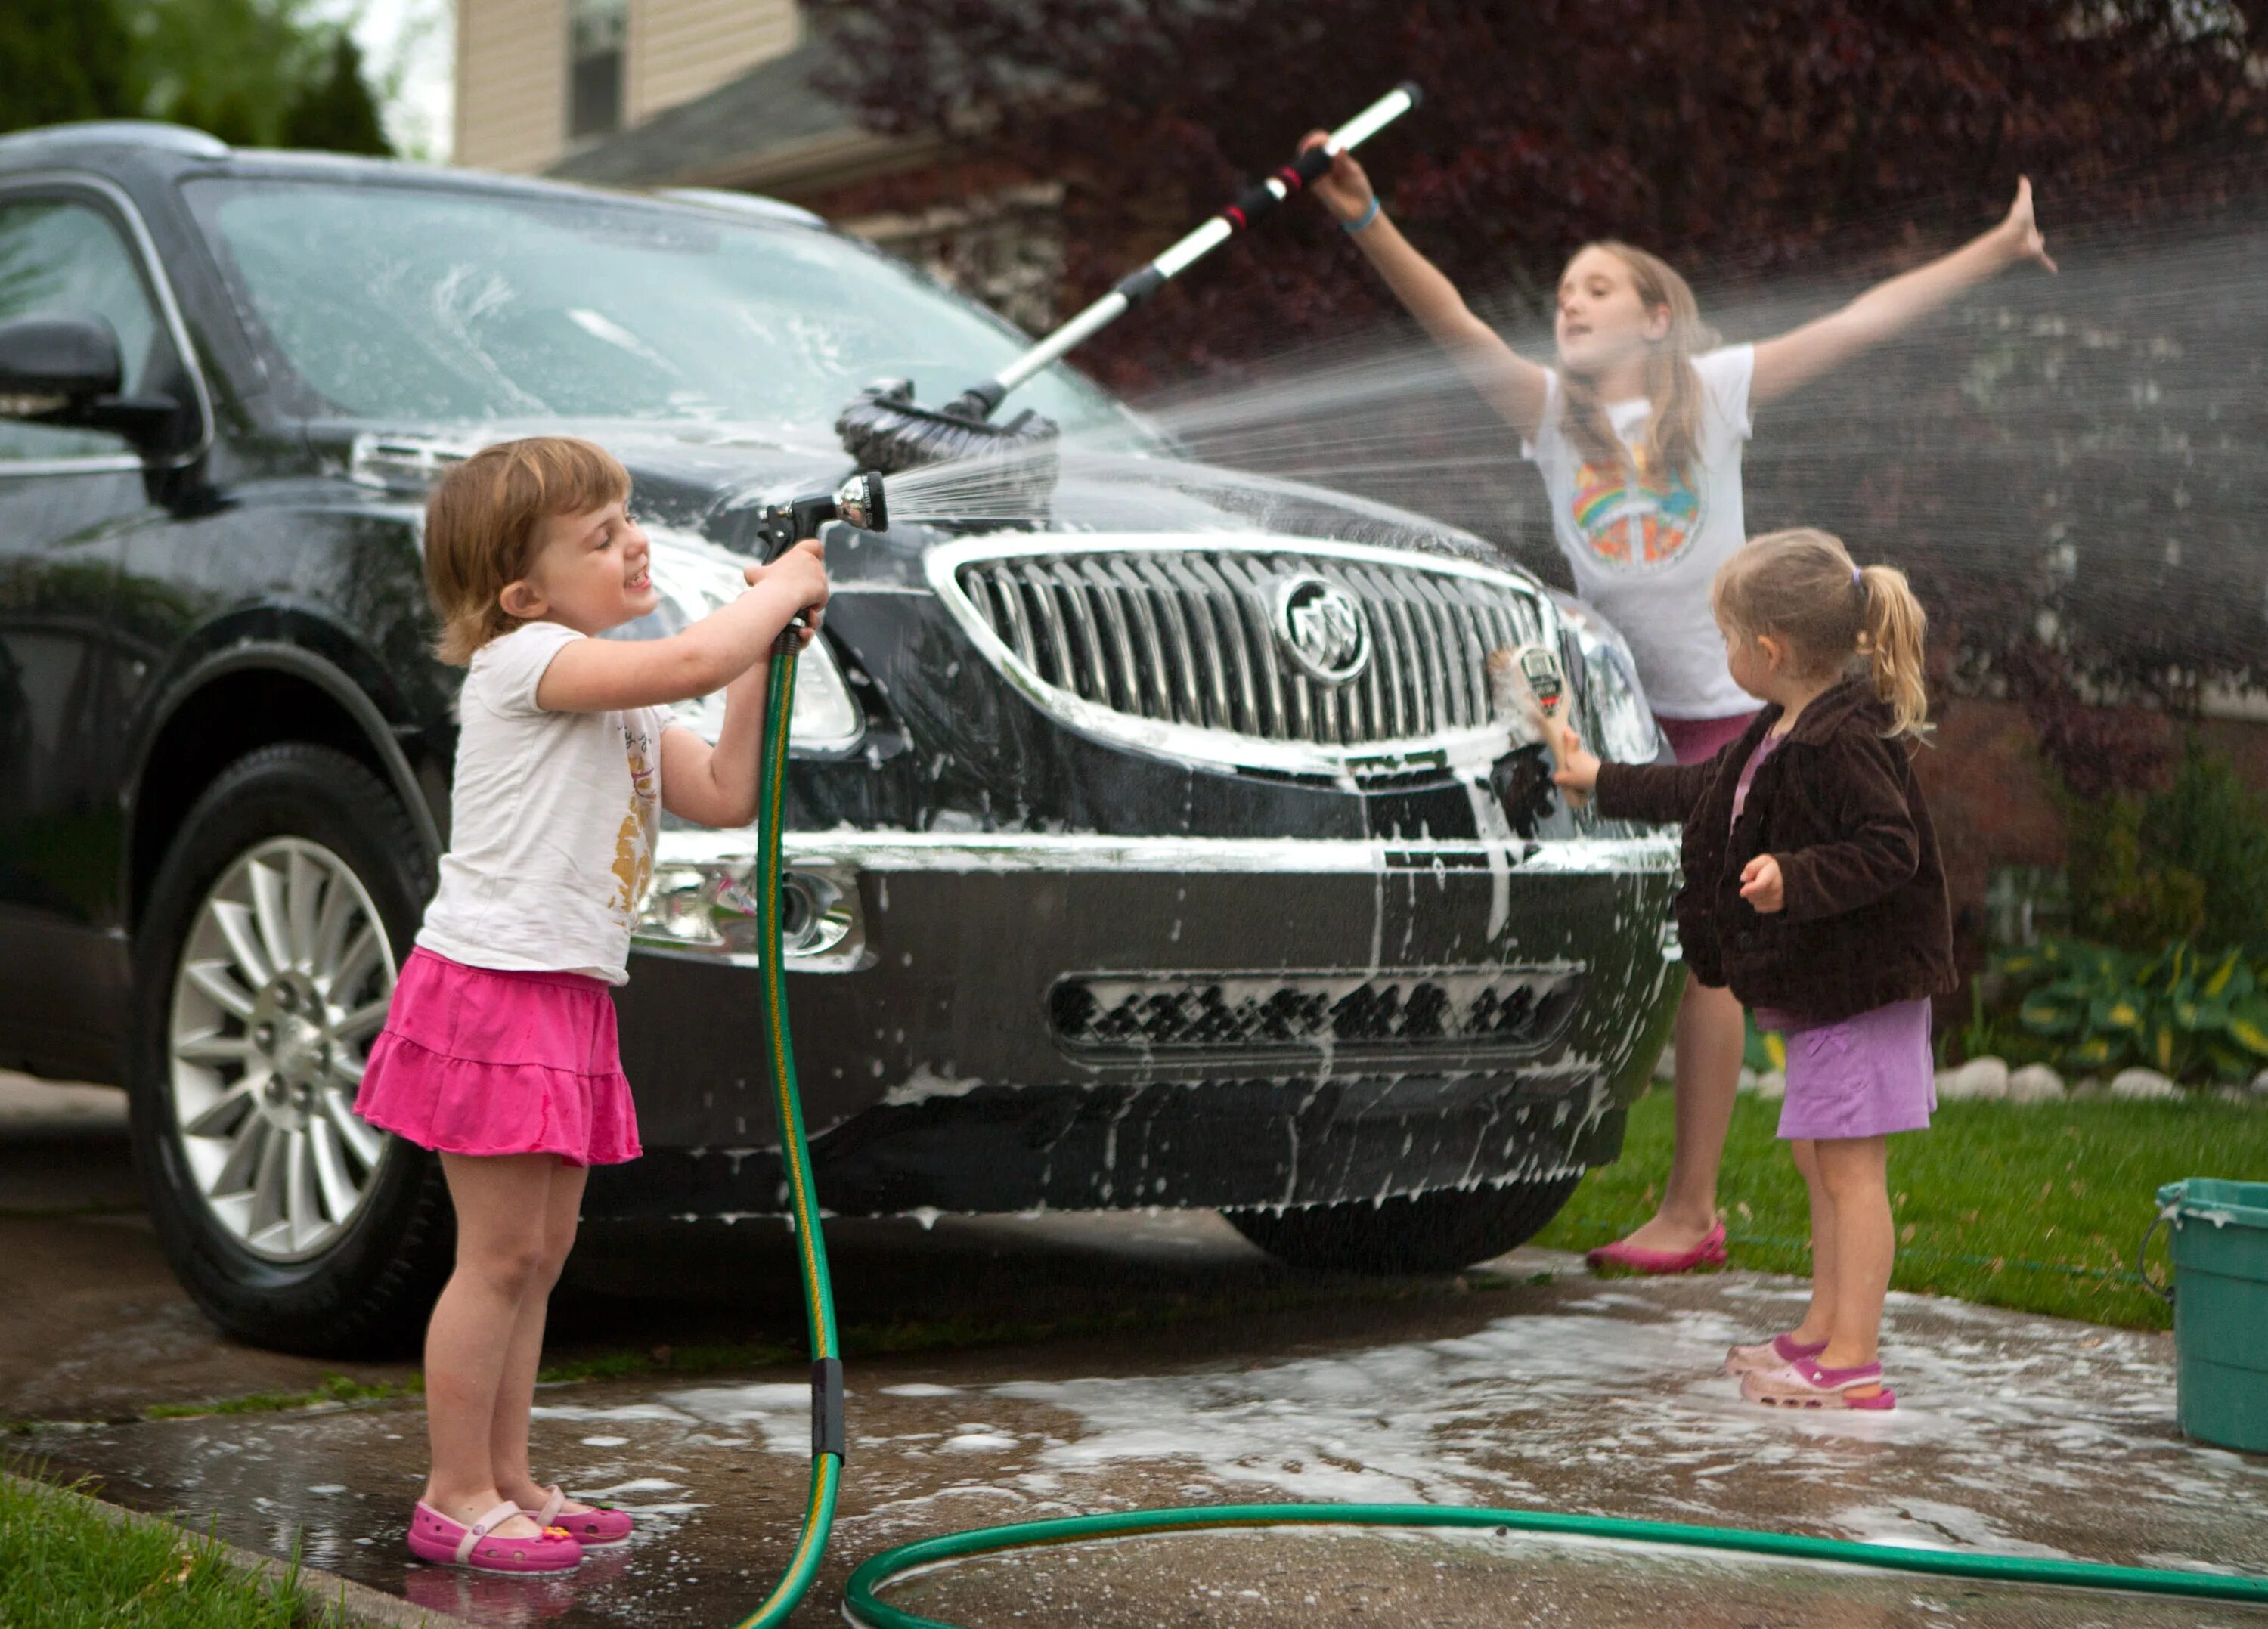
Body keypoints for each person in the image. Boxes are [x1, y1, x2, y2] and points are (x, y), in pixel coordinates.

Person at [1303, 132, 2049, 1273]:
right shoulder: (1552, 413)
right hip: (1615, 714)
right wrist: (1363, 215)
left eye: (1597, 285)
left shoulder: (1714, 390)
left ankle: (1691, 1209)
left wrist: (1995, 247)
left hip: (1721, 709)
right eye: (1561, 292)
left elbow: (1857, 322)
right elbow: (1452, 320)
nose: (1571, 302)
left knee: (1710, 949)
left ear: (1658, 315)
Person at [353, 436, 829, 1572]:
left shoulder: (608, 702)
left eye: (627, 518)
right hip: (495, 990)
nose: (632, 541)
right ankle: (453, 1491)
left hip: (564, 993)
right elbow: (683, 664)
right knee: (498, 1254)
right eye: (600, 534)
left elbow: (722, 789)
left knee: (542, 1250)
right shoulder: (530, 662)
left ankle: (509, 1475)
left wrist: (766, 654)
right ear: (523, 592)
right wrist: (773, 601)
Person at [1553, 528, 1955, 1408]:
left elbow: (1891, 847)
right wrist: (1596, 777)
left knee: (1852, 1174)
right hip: (1828, 991)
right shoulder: (1780, 731)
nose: (1725, 653)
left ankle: (1853, 1365)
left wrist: (1794, 878)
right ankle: (1822, 1331)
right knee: (1822, 1160)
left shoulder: (1844, 739)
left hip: (1865, 989)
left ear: (1768, 651)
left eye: (1728, 638)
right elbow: (1701, 792)